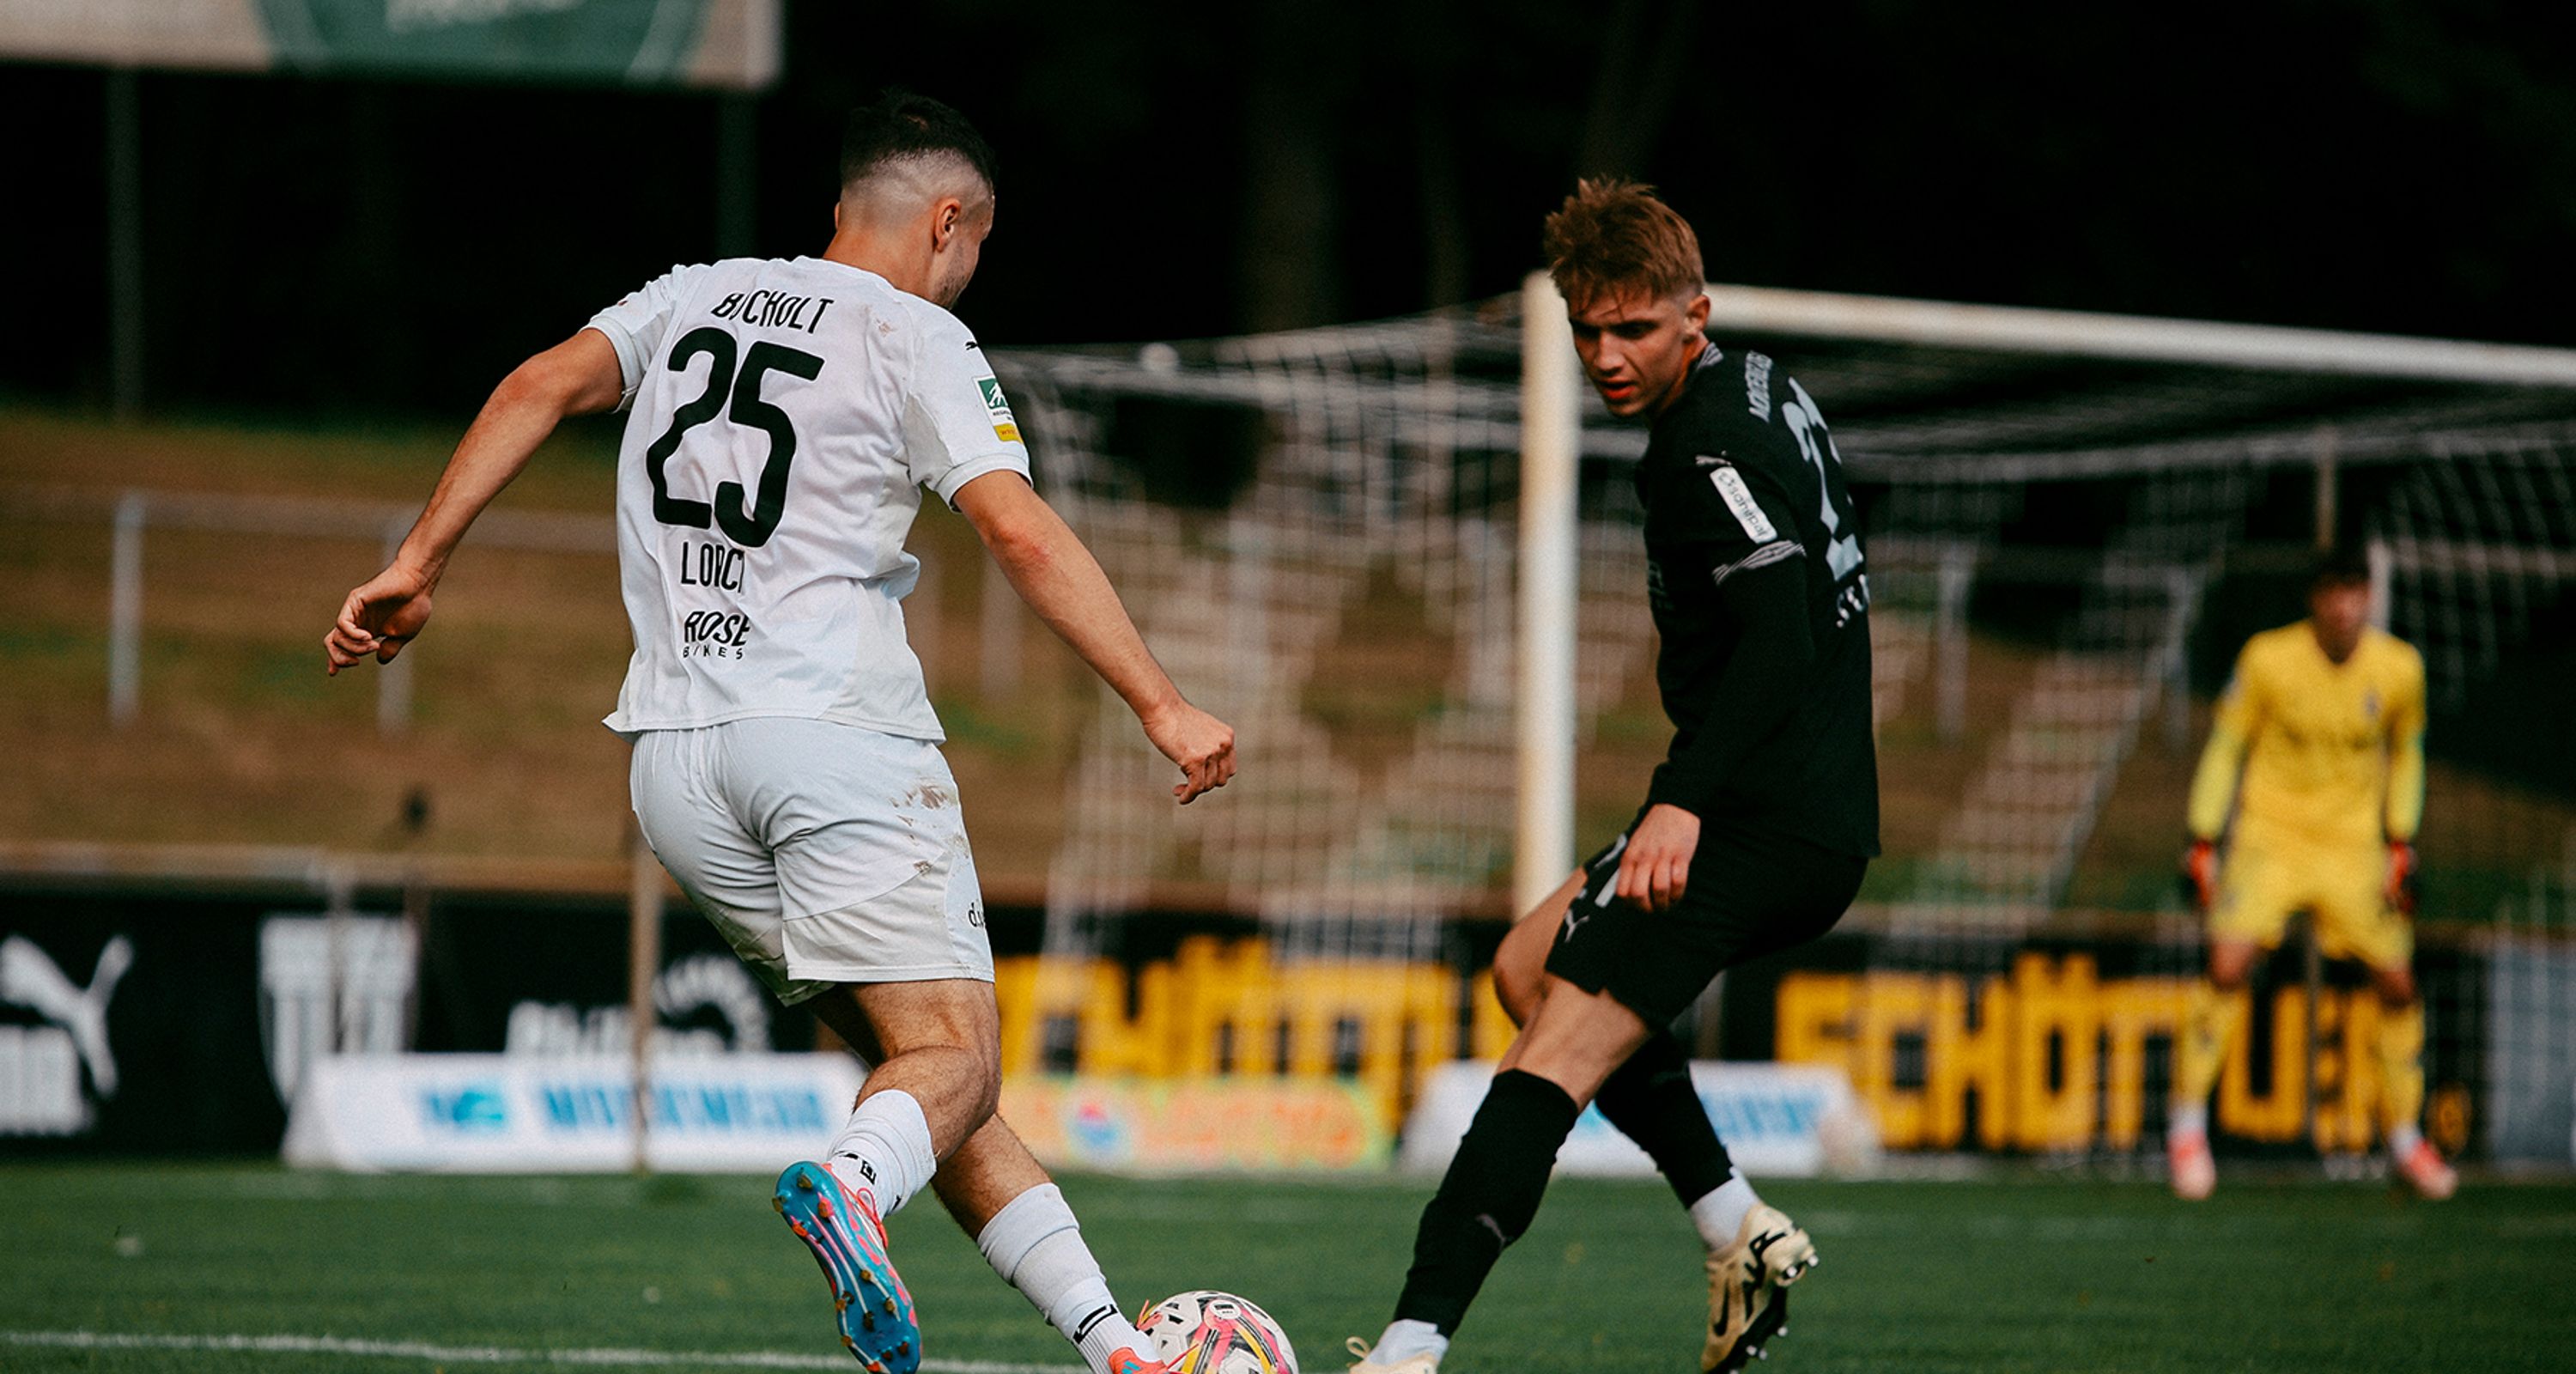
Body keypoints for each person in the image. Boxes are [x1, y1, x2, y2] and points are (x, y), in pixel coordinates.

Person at [323, 91, 1236, 1374]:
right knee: (958, 1059)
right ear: (949, 221)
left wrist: (417, 562)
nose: (970, 272)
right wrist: (1161, 699)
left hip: (677, 768)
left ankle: (1110, 1344)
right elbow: (1020, 529)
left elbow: (537, 384)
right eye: (976, 249)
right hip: (831, 742)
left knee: (925, 1079)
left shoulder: (692, 293)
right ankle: (853, 1191)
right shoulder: (917, 334)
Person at [1348, 179, 1878, 1374]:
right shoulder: (1758, 385)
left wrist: (1684, 800)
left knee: (1548, 1064)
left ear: (1695, 311)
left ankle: (1406, 1352)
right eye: (1588, 329)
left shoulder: (1705, 445)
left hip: (1755, 817)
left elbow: (1784, 629)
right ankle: (1734, 1224)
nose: (1606, 356)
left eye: (1633, 328)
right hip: (1799, 805)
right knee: (1526, 966)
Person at [2169, 546, 2453, 1201]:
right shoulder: (2267, 659)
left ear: (2369, 597)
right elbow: (2226, 746)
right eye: (2333, 591)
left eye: (2355, 590)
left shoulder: (2401, 668)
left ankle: (2406, 1139)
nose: (2344, 605)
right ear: (2314, 599)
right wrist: (2203, 836)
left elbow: (2406, 756)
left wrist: (2400, 842)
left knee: (2398, 983)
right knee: (2227, 967)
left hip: (2353, 850)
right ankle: (2187, 1128)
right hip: (2271, 840)